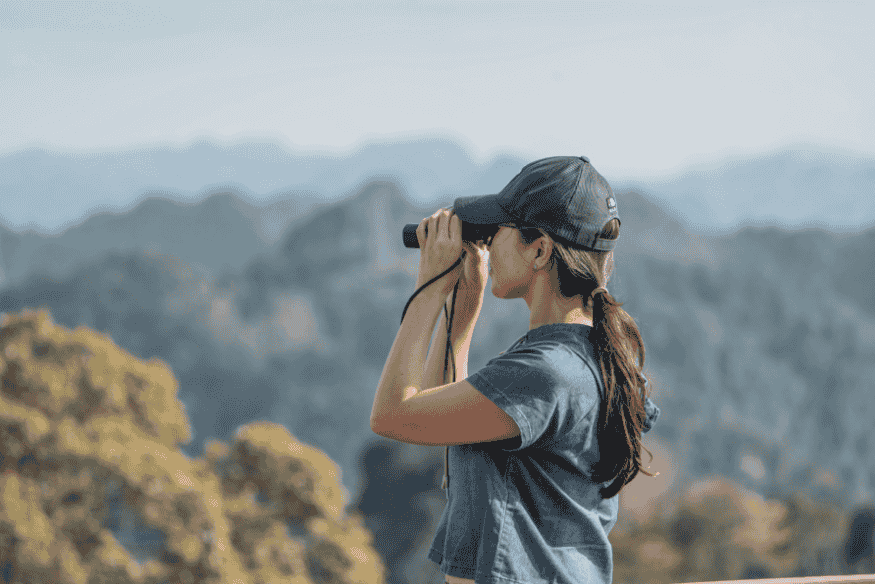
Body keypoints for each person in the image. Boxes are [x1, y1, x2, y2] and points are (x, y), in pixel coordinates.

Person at [370, 156, 660, 584]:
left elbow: (393, 414)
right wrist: (463, 309)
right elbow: (443, 427)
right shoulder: (581, 359)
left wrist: (429, 288)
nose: (487, 244)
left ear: (539, 249)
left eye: (499, 229)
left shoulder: (544, 372)